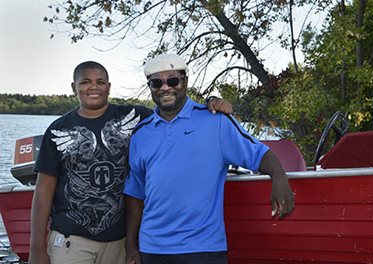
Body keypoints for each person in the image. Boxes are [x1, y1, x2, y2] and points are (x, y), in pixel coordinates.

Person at [29, 60, 232, 264]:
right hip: (71, 240)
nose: (93, 87)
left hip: (120, 241)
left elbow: (171, 109)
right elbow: (44, 189)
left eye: (100, 81)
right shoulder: (58, 130)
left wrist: (211, 104)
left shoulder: (135, 117)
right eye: (85, 82)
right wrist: (36, 247)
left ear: (108, 87)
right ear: (74, 87)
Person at [124, 54, 295, 264]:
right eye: (157, 82)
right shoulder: (141, 133)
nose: (165, 88)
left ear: (185, 81)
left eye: (173, 80)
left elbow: (259, 153)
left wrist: (279, 177)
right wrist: (131, 245)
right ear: (150, 87)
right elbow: (135, 194)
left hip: (203, 248)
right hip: (152, 248)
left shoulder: (215, 121)